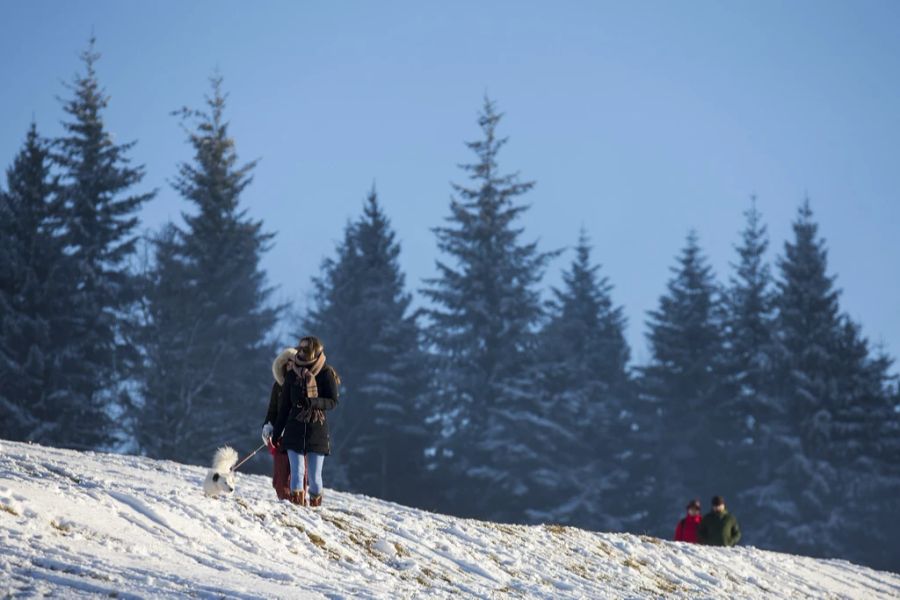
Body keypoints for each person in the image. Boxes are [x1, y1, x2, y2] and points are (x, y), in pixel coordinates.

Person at [271, 336, 340, 507]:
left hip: (317, 432)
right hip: (294, 430)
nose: (300, 353)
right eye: (299, 349)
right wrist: (277, 432)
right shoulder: (292, 375)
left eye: (305, 350)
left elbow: (332, 401)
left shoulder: (326, 374)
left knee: (315, 478)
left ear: (315, 353)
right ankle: (298, 511)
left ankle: (316, 510)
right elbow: (285, 406)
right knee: (297, 472)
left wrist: (312, 402)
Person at [261, 347, 297, 500]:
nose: (290, 367)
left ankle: (297, 502)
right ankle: (284, 499)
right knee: (280, 475)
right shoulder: (278, 386)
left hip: (298, 435)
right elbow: (272, 409)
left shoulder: (302, 386)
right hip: (279, 436)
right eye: (287, 364)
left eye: (293, 364)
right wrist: (268, 425)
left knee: (296, 473)